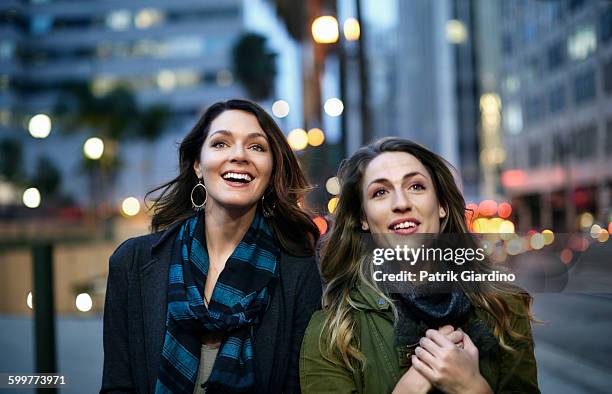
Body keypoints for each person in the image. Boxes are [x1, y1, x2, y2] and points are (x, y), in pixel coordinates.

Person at [101, 99, 322, 393]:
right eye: (221, 144)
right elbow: (117, 386)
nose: (239, 156)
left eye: (256, 147)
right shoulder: (132, 262)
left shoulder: (299, 272)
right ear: (197, 164)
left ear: (271, 172)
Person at [300, 137, 539, 393]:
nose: (401, 203)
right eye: (380, 192)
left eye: (416, 186)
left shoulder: (504, 307)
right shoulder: (334, 330)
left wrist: (472, 387)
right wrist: (413, 385)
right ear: (363, 219)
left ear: (442, 206)